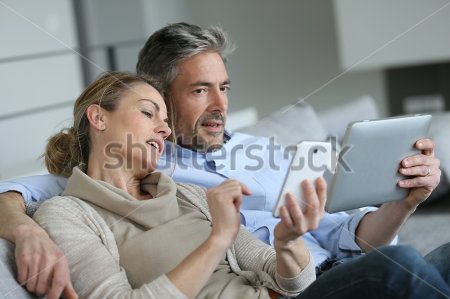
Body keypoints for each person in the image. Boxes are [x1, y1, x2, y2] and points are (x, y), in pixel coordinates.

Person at [0, 23, 449, 298]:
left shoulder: (259, 150)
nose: (220, 105)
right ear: (160, 93)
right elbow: (27, 191)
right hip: (307, 286)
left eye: (225, 88)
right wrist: (23, 230)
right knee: (402, 267)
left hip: (327, 271)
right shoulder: (145, 169)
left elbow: (341, 236)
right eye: (200, 90)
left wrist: (403, 204)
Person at [31, 71, 322, 298]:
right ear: (98, 117)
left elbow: (297, 284)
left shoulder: (188, 194)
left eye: (166, 120)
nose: (165, 129)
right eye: (148, 112)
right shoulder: (67, 214)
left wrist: (288, 242)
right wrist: (217, 240)